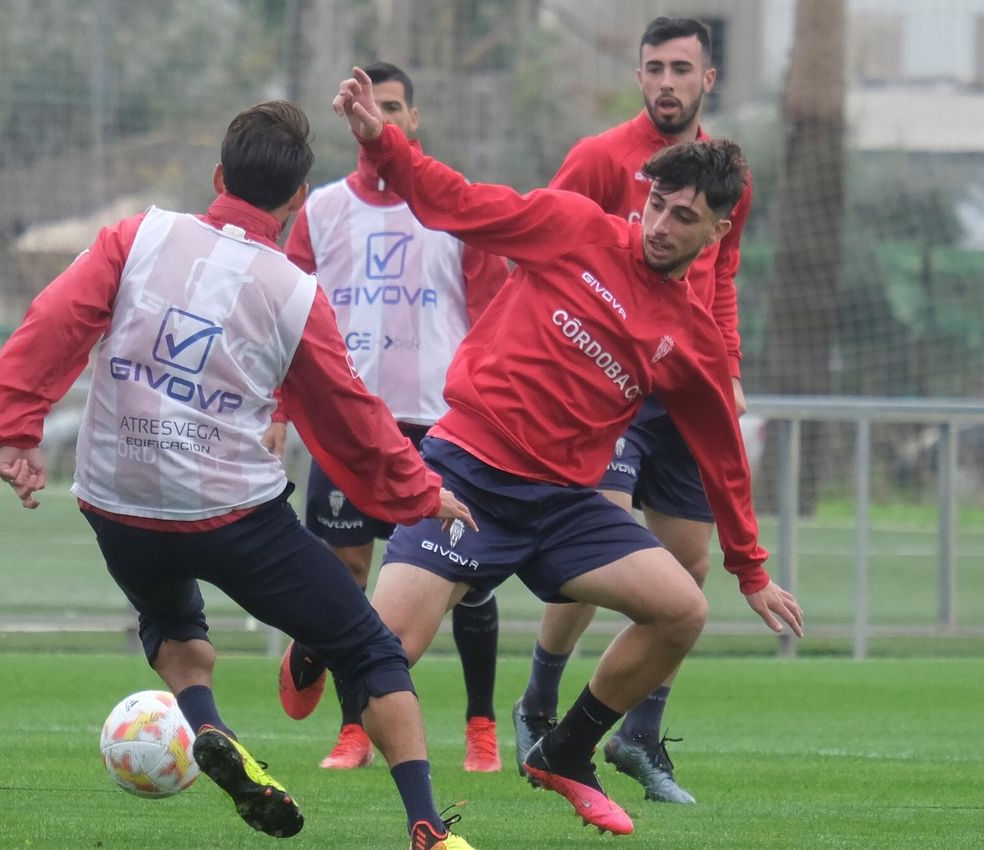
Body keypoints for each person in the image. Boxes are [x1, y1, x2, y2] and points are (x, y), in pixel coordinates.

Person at [0, 101, 480, 850]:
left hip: (118, 507)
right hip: (231, 517)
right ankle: (428, 827)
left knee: (173, 620)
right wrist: (416, 491)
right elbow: (346, 411)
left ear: (218, 176)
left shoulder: (136, 236)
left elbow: (54, 318)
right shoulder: (292, 291)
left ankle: (209, 727)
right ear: (297, 202)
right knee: (368, 649)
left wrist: (17, 426)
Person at [331, 68, 803, 836]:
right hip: (466, 477)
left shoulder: (692, 339)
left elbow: (721, 455)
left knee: (683, 610)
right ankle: (329, 648)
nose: (659, 225)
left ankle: (565, 751)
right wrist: (384, 143)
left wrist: (750, 567)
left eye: (684, 217)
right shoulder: (573, 227)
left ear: (719, 231)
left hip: (561, 507)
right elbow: (454, 200)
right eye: (656, 204)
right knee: (380, 660)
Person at [511, 17, 751, 806]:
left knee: (688, 569)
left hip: (681, 389)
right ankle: (540, 706)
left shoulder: (723, 177)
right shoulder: (596, 157)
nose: (667, 81)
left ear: (707, 79)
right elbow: (538, 242)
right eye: (655, 67)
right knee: (602, 554)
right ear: (640, 74)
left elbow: (719, 280)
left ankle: (639, 737)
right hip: (609, 390)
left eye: (683, 67)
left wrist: (729, 371)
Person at [269, 62, 508, 774]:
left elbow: (495, 315)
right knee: (344, 572)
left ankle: (481, 726)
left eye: (398, 106)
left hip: (446, 426)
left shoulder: (452, 205)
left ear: (413, 118)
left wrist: (496, 410)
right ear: (354, 119)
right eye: (375, 107)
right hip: (349, 423)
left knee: (465, 575)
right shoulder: (321, 212)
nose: (388, 117)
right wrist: (280, 409)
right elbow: (285, 312)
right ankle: (353, 730)